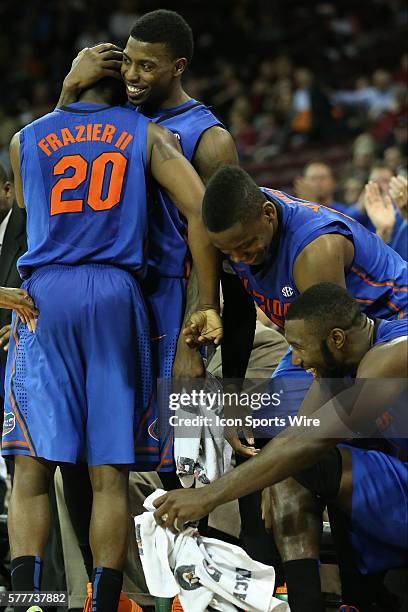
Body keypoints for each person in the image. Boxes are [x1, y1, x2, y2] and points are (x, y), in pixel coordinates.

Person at [2, 76, 221, 612]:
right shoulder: (144, 132)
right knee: (109, 470)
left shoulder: (25, 137)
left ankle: (28, 599)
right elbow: (202, 209)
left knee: (31, 464)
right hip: (115, 293)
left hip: (45, 295)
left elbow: (33, 203)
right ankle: (103, 604)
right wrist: (206, 299)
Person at [173, 165, 407, 612]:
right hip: (341, 346)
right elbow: (308, 353)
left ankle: (359, 586)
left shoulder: (314, 252)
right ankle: (305, 598)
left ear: (267, 213)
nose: (240, 260)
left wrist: (207, 496)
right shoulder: (235, 232)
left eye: (245, 247)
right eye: (229, 253)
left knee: (306, 448)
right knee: (276, 445)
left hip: (377, 340)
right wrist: (206, 308)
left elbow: (325, 383)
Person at [154, 283, 407, 612]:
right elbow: (297, 436)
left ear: (337, 339)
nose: (297, 361)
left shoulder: (394, 355)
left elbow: (309, 442)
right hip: (394, 492)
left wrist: (207, 496)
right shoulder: (336, 364)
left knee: (301, 458)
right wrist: (269, 477)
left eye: (299, 348)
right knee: (289, 465)